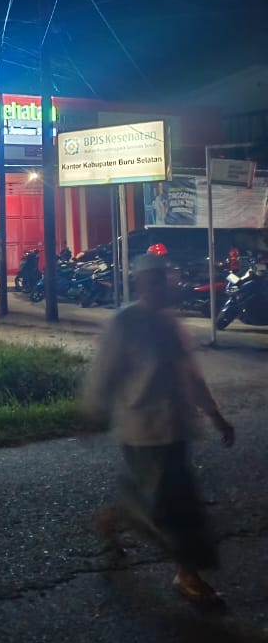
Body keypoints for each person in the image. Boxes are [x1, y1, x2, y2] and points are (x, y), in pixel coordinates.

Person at [82, 252, 236, 608]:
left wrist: (215, 416)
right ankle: (186, 574)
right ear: (141, 284)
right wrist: (91, 414)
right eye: (154, 280)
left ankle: (117, 517)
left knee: (170, 503)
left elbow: (192, 377)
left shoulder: (170, 325)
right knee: (176, 508)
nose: (162, 286)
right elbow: (104, 374)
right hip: (141, 430)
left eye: (164, 279)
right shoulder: (124, 323)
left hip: (175, 428)